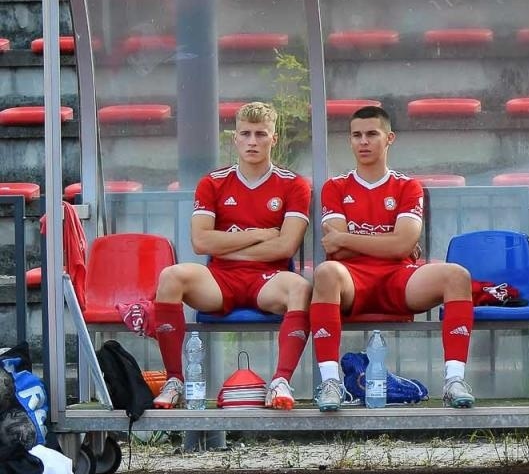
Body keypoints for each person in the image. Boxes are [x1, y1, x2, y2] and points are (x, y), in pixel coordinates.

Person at [274, 106, 478, 411]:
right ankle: (331, 384)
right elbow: (341, 251)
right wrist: (389, 243)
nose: (363, 141)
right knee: (327, 271)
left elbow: (399, 244)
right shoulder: (336, 187)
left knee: (457, 275)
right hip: (352, 280)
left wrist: (348, 238)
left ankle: (454, 381)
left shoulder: (407, 186)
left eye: (372, 134)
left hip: (399, 278)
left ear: (389, 138)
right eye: (356, 135)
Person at [144, 102, 311, 410]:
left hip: (269, 279)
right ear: (235, 138)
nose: (252, 141)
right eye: (245, 134)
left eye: (260, 134)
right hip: (220, 280)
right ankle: (174, 380)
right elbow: (200, 242)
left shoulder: (294, 184)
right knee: (171, 276)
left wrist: (227, 245)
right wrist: (259, 234)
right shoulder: (213, 182)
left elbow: (285, 247)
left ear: (274, 139)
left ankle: (280, 382)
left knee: (300, 287)